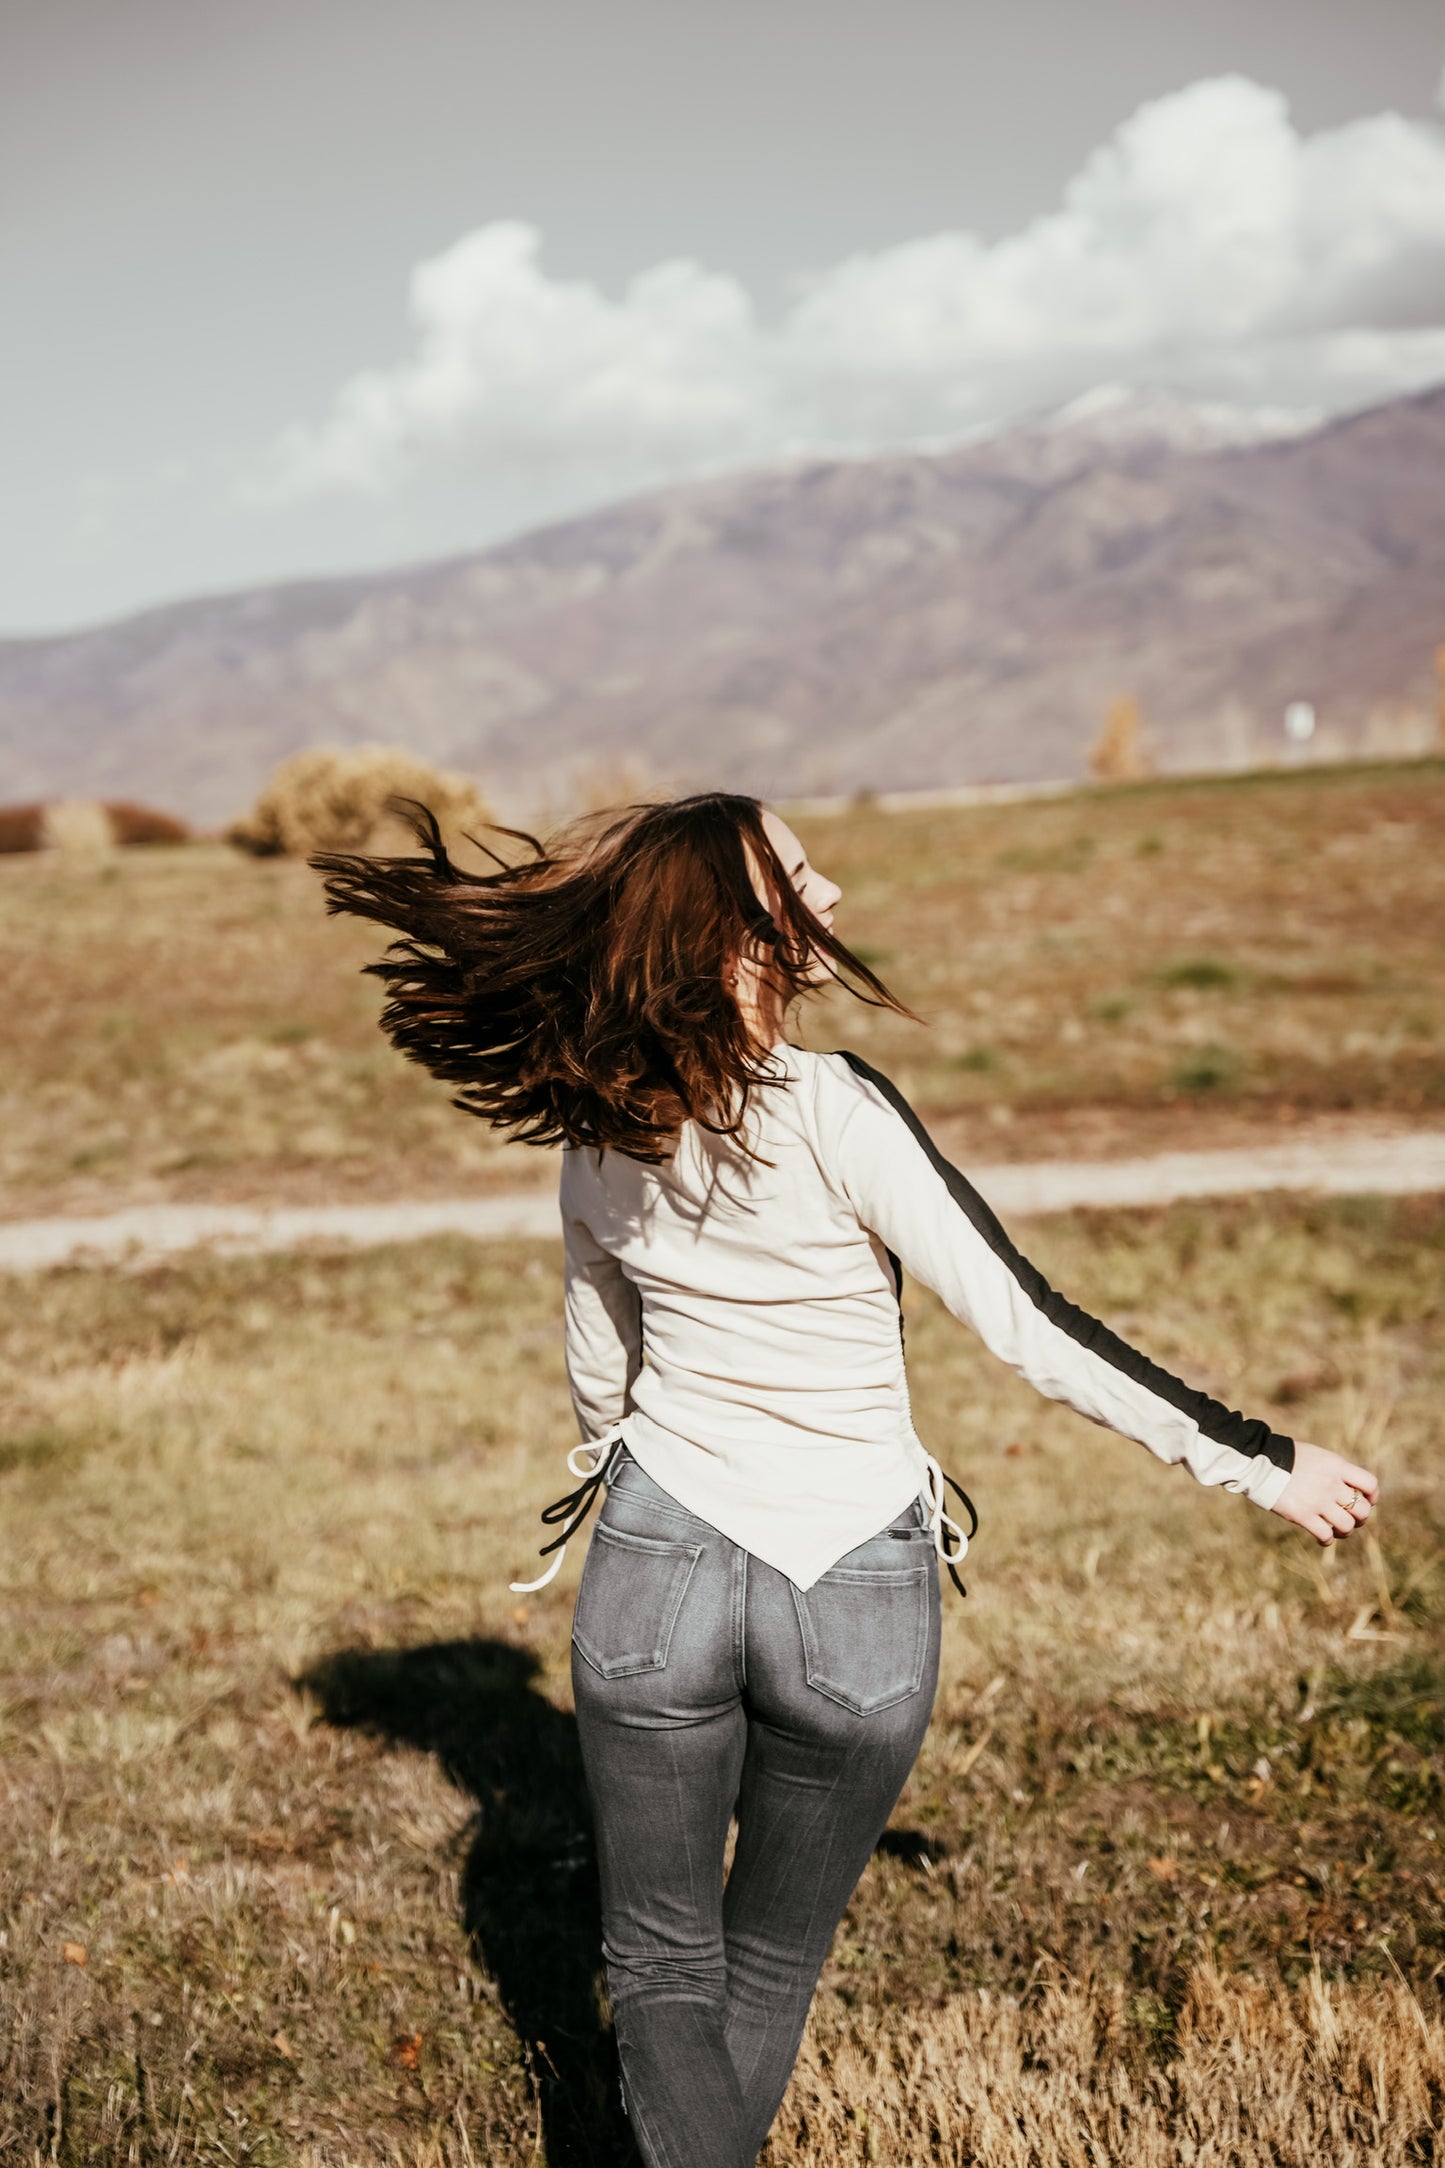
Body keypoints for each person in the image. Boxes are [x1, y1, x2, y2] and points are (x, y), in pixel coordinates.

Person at [315, 791, 1379, 2168]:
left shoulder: (595, 1138)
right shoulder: (834, 1108)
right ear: (731, 931)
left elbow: (602, 1389)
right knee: (762, 1966)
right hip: (855, 1594)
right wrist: (1256, 1461)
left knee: (655, 1968)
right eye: (802, 879)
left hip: (656, 1579)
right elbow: (1025, 1325)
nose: (836, 900)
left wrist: (641, 1518)